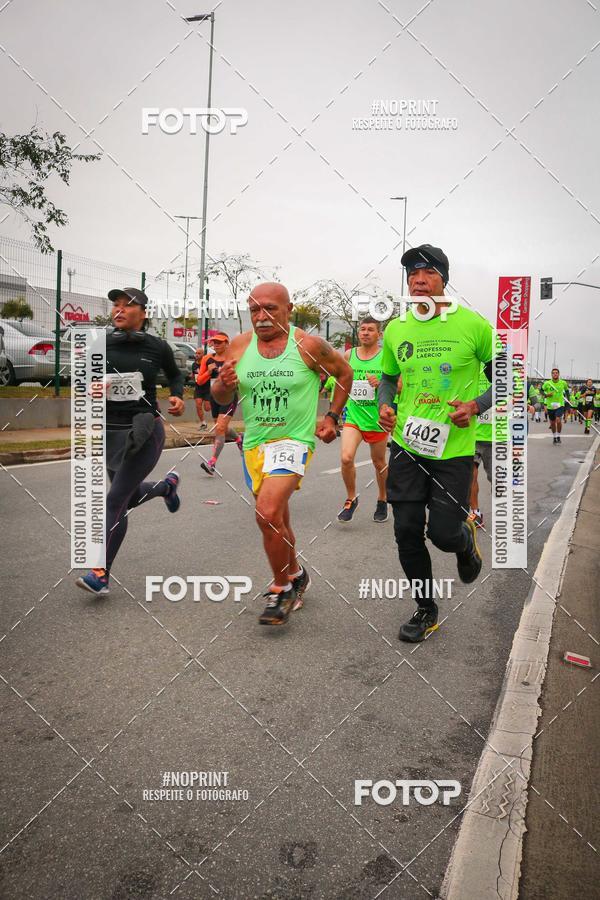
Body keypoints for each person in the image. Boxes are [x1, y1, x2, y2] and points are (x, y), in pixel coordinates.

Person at [212, 282, 353, 625]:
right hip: (254, 445)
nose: (261, 317)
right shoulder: (240, 346)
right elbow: (218, 396)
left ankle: (281, 589)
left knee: (266, 512)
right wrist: (224, 384)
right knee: (277, 521)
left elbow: (345, 373)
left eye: (270, 309)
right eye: (254, 310)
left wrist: (332, 417)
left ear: (289, 309)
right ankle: (297, 574)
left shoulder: (308, 345)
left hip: (293, 441)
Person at [378, 244, 494, 643]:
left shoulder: (474, 326)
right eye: (411, 274)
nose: (418, 280)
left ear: (444, 278)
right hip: (408, 446)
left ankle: (464, 543)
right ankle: (426, 608)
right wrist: (386, 406)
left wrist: (476, 406)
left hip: (455, 450)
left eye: (427, 272)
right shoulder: (397, 329)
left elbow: (507, 377)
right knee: (406, 529)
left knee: (442, 534)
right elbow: (388, 379)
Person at [76, 287, 184, 595]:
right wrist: (91, 387)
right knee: (130, 496)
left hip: (144, 432)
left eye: (127, 305)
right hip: (110, 433)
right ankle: (166, 487)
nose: (119, 310)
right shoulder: (102, 344)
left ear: (143, 313)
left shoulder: (157, 346)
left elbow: (176, 376)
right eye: (116, 305)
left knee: (114, 501)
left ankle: (100, 574)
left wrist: (177, 396)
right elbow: (82, 378)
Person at [337, 316, 388, 524]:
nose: (365, 333)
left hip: (377, 419)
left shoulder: (386, 357)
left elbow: (400, 385)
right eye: (363, 329)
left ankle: (382, 499)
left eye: (370, 330)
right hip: (354, 416)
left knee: (379, 462)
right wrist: (334, 413)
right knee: (346, 458)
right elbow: (341, 381)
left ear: (379, 334)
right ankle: (351, 498)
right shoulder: (349, 355)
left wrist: (382, 383)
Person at [195, 332, 243, 475]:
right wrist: (209, 373)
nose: (216, 345)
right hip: (213, 396)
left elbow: (241, 377)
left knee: (220, 428)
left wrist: (233, 380)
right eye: (214, 342)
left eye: (219, 342)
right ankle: (239, 438)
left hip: (229, 396)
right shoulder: (207, 359)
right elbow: (199, 381)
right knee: (221, 428)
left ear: (227, 344)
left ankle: (212, 462)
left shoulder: (233, 359)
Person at [541, 368, 569, 444]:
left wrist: (568, 399)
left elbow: (567, 391)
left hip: (560, 405)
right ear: (551, 374)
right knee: (552, 423)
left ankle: (559, 435)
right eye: (553, 373)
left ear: (558, 374)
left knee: (558, 420)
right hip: (550, 406)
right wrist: (546, 395)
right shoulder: (547, 383)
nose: (555, 374)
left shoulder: (563, 383)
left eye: (556, 373)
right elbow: (541, 390)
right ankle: (554, 436)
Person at [191, 346, 210, 430]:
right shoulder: (194, 365)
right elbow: (194, 375)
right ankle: (203, 423)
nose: (197, 355)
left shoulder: (207, 363)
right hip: (198, 387)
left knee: (207, 408)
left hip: (207, 387)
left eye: (199, 353)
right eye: (196, 353)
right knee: (198, 405)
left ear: (203, 354)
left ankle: (215, 402)